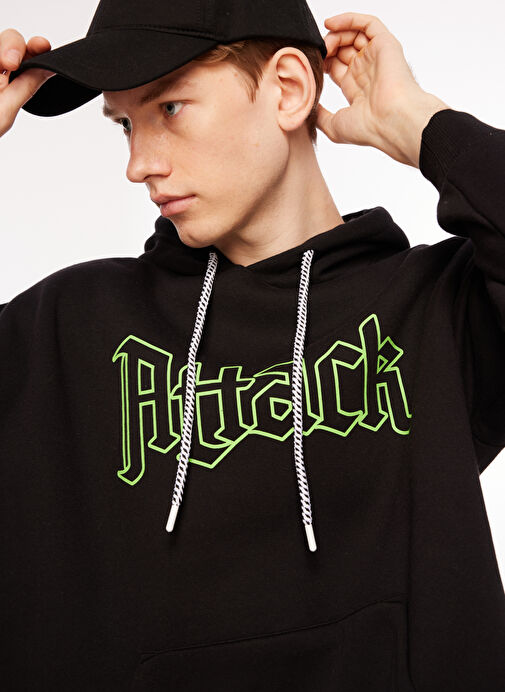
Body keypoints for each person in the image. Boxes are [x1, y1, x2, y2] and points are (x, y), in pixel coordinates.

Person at [1, 1, 504, 689]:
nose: (138, 164)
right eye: (124, 124)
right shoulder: (64, 331)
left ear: (288, 90)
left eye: (170, 108)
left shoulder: (435, 314)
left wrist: (419, 124)